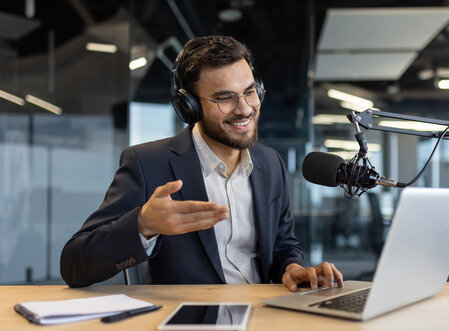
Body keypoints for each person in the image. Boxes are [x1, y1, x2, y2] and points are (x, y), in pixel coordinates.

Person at [60, 35, 343, 291]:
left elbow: (283, 246)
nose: (244, 109)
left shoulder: (270, 164)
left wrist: (293, 269)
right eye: (224, 99)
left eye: (249, 92)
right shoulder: (148, 164)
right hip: (189, 328)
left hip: (263, 319)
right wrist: (142, 225)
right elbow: (74, 263)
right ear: (191, 107)